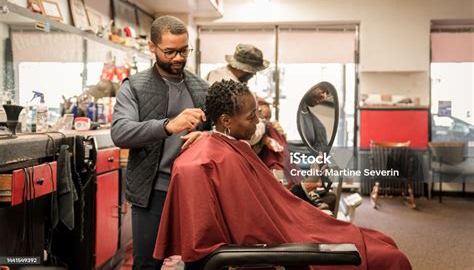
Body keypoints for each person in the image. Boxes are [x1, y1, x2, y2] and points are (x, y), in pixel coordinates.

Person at [153, 80, 412, 270]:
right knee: (389, 258)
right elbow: (238, 232)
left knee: (381, 241)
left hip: (286, 227)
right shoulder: (207, 161)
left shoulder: (229, 148)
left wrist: (300, 198)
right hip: (279, 241)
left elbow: (265, 202)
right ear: (226, 120)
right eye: (252, 116)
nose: (258, 122)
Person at [111, 15, 210, 269]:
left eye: (183, 50)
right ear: (152, 47)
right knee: (147, 264)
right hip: (153, 190)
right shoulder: (134, 87)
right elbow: (121, 132)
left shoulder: (202, 88)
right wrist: (168, 126)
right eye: (169, 52)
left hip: (195, 191)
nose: (178, 58)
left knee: (200, 262)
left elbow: (223, 134)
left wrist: (207, 135)